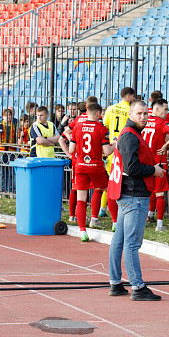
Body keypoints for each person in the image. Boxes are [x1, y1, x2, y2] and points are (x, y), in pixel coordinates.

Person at [107, 100, 166, 301]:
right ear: (131, 114)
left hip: (127, 194)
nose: (143, 117)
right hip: (134, 195)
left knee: (119, 240)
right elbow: (131, 168)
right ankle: (138, 287)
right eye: (139, 113)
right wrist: (154, 170)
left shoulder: (128, 134)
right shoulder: (130, 137)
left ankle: (116, 282)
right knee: (131, 243)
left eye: (145, 114)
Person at [62, 103, 114, 242]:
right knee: (108, 189)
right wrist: (116, 144)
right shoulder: (102, 129)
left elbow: (72, 149)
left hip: (80, 166)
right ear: (98, 113)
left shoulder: (77, 127)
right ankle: (115, 223)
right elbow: (107, 151)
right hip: (96, 166)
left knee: (81, 198)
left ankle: (83, 232)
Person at [143, 99, 169, 231]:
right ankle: (159, 224)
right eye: (165, 109)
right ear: (156, 109)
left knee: (145, 192)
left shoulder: (143, 121)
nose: (167, 112)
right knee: (160, 194)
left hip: (144, 163)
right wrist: (165, 146)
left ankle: (148, 215)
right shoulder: (162, 123)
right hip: (159, 163)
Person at [102, 87, 136, 228]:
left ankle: (112, 218)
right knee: (125, 184)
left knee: (112, 184)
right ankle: (123, 216)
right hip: (126, 147)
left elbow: (105, 127)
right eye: (133, 97)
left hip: (113, 148)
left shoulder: (110, 109)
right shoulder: (130, 110)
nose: (134, 99)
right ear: (129, 97)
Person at [0, 108, 17, 193]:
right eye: (6, 115)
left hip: (11, 150)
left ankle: (10, 190)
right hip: (1, 150)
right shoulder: (0, 125)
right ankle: (2, 189)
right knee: (2, 172)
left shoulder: (14, 125)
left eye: (10, 115)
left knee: (11, 172)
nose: (8, 117)